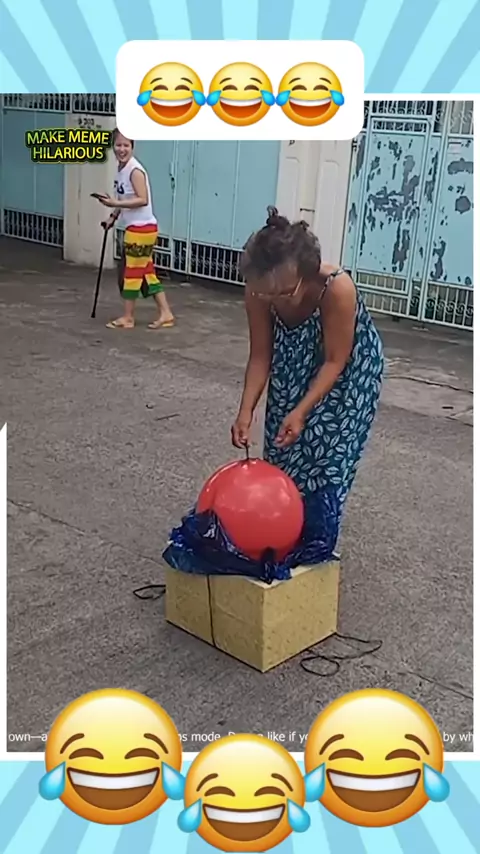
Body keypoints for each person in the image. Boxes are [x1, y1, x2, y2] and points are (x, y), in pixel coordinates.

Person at [231, 206, 384, 546]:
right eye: (265, 292)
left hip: (347, 370)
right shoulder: (259, 290)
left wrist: (302, 411)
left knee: (329, 453)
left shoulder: (336, 288)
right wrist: (246, 411)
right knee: (283, 450)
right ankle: (282, 527)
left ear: (306, 275)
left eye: (283, 293)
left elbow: (335, 360)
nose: (272, 299)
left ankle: (317, 539)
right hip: (293, 362)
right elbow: (260, 356)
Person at [96, 129, 175, 330]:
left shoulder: (134, 170)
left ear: (132, 147)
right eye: (118, 145)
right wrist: (113, 217)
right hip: (139, 228)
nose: (121, 149)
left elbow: (142, 199)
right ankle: (165, 312)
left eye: (126, 145)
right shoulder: (121, 169)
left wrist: (114, 203)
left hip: (141, 230)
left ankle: (128, 317)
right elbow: (124, 198)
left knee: (131, 274)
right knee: (147, 273)